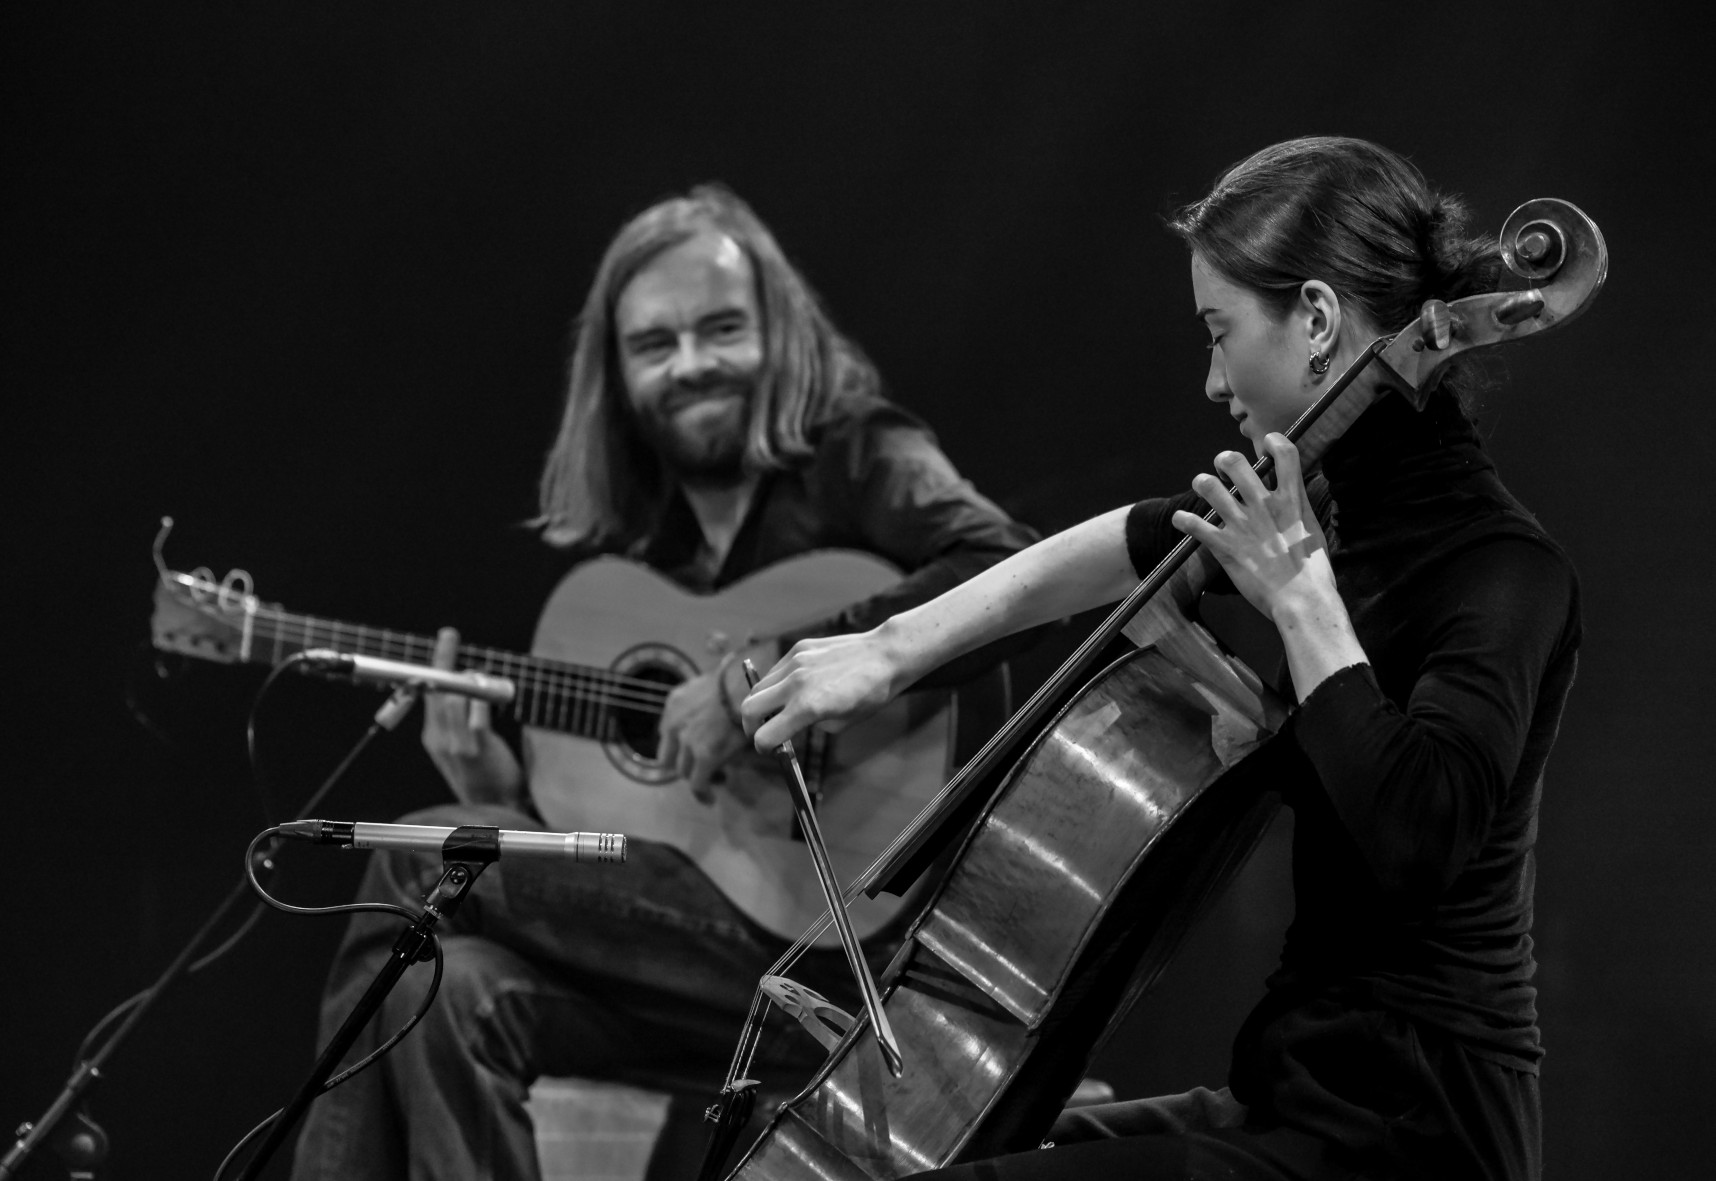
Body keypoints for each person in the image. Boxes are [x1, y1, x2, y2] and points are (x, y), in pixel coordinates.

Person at [743, 137, 1580, 1181]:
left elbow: (1420, 832)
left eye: (1222, 333)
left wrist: (1305, 602)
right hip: (1294, 1089)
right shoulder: (1325, 512)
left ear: (1317, 321)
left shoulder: (1502, 569)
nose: (1212, 379)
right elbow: (1136, 543)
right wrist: (889, 647)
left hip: (1417, 1133)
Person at [288, 185, 1041, 1180]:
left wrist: (764, 671)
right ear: (617, 374)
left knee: (414, 856)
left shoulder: (858, 453)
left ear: (781, 334)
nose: (691, 365)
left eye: (721, 328)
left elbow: (1013, 569)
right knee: (439, 987)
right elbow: (665, 840)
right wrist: (498, 785)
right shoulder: (652, 555)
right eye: (655, 344)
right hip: (710, 965)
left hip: (856, 946)